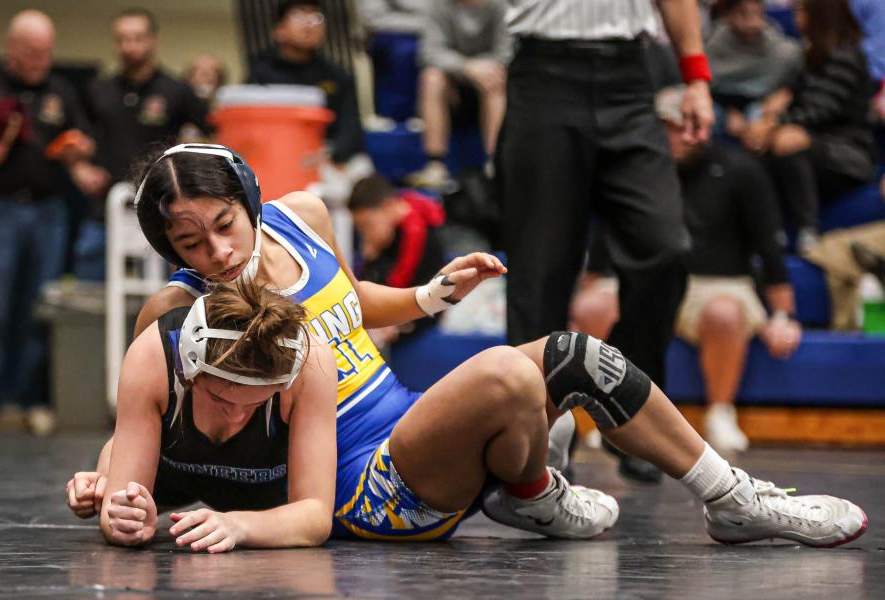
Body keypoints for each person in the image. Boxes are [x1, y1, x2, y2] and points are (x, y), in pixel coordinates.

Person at [68, 143, 867, 548]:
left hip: (411, 422)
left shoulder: (299, 216)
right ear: (169, 248)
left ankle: (577, 492)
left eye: (222, 226)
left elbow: (346, 303)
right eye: (190, 242)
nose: (215, 252)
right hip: (356, 485)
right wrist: (106, 480)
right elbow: (146, 419)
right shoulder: (185, 312)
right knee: (538, 367)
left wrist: (425, 295)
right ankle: (544, 490)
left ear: (247, 202)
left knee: (562, 364)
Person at [496, 0, 714, 483]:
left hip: (631, 77)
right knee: (541, 271)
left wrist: (696, 77)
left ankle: (628, 406)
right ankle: (535, 445)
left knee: (666, 247)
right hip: (544, 74)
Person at [572, 86, 803, 453]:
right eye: (668, 127)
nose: (678, 136)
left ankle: (720, 412)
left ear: (704, 127)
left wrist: (782, 314)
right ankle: (613, 415)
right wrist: (584, 295)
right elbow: (604, 242)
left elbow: (769, 247)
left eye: (686, 127)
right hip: (644, 282)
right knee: (590, 308)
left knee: (724, 314)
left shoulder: (741, 170)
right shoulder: (633, 173)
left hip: (718, 285)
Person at [76, 277, 338, 551]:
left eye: (256, 403)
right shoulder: (153, 354)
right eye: (219, 399)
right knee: (113, 467)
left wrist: (238, 526)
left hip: (269, 499)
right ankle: (106, 466)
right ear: (188, 368)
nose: (237, 416)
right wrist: (128, 520)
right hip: (170, 473)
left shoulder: (311, 365)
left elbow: (316, 516)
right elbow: (116, 514)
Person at [0, 10, 96, 436]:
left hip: (49, 213)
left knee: (40, 308)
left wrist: (79, 151)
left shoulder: (60, 90)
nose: (40, 60)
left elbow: (80, 140)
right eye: (32, 52)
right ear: (12, 47)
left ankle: (33, 400)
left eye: (46, 52)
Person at [77, 7, 211, 279]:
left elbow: (214, 131)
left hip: (160, 213)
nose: (130, 46)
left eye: (137, 38)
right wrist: (80, 167)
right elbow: (78, 139)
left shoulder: (176, 90)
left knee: (162, 297)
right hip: (103, 211)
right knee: (88, 298)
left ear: (152, 40)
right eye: (123, 39)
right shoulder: (98, 90)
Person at [742, 0, 877, 253]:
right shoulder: (810, 55)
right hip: (813, 149)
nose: (796, 18)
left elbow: (820, 109)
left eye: (801, 11)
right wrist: (776, 107)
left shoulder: (846, 55)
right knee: (758, 143)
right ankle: (767, 233)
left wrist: (772, 124)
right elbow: (793, 93)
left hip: (846, 154)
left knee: (787, 139)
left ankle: (808, 230)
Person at [248, 0, 366, 170]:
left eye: (316, 17)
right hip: (275, 155)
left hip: (324, 155)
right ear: (279, 30)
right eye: (298, 15)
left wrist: (333, 153)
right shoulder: (259, 72)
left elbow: (351, 128)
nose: (309, 23)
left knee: (361, 170)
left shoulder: (338, 75)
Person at [408, 0, 510, 190]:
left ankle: (494, 163)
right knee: (431, 78)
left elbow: (506, 51)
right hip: (453, 81)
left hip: (490, 77)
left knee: (496, 81)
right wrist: (466, 68)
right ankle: (435, 164)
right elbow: (430, 52)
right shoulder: (438, 6)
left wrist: (483, 69)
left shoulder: (501, 5)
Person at [348, 173, 446, 347]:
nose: (365, 234)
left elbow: (425, 293)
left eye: (367, 225)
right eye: (360, 228)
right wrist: (371, 256)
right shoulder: (383, 239)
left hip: (423, 312)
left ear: (389, 206)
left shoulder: (420, 235)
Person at [705, 0, 802, 139]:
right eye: (743, 14)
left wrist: (781, 97)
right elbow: (707, 83)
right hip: (722, 104)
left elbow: (792, 79)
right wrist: (729, 112)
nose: (752, 21)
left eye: (757, 13)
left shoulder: (780, 47)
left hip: (760, 102)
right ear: (728, 15)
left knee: (758, 121)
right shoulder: (715, 44)